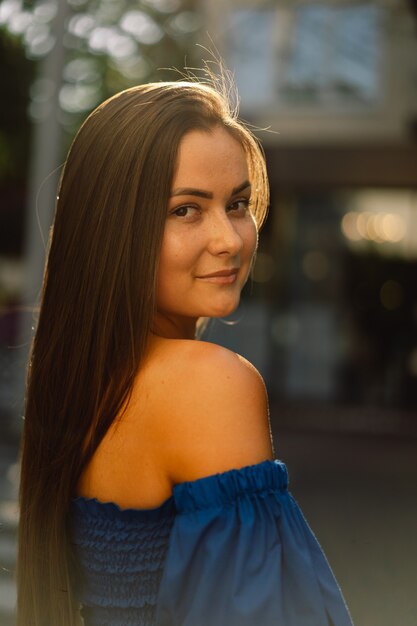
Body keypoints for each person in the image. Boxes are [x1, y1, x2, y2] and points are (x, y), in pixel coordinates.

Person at [17, 78, 354, 626]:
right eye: (185, 210)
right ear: (113, 227)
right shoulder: (208, 382)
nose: (230, 239)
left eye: (238, 204)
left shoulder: (85, 382)